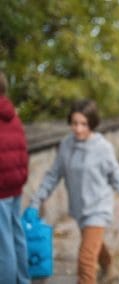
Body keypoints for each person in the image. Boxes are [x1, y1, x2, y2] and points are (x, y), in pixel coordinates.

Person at [24, 99, 119, 284]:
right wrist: (35, 202)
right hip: (80, 209)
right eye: (74, 123)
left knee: (86, 260)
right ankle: (109, 268)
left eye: (84, 124)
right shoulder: (66, 145)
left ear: (92, 123)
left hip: (98, 208)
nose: (78, 129)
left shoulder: (102, 147)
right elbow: (52, 175)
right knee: (94, 245)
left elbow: (116, 176)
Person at [0, 71, 30, 284]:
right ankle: (23, 279)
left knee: (3, 245)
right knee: (17, 235)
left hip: (1, 188)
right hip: (15, 184)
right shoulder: (12, 115)